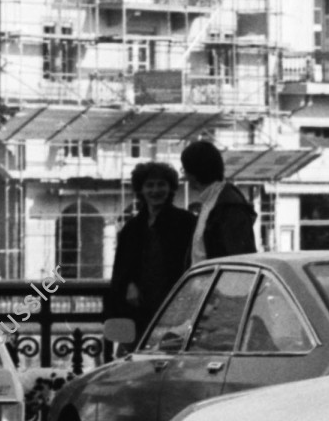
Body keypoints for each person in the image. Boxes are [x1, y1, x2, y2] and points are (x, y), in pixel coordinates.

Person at [108, 161, 198, 332]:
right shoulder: (132, 228)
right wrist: (129, 283)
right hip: (139, 307)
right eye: (149, 185)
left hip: (175, 304)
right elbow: (121, 269)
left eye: (161, 184)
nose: (155, 191)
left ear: (170, 188)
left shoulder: (186, 222)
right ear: (141, 189)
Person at [182, 140, 258, 259]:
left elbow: (239, 258)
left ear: (193, 173)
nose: (184, 176)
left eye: (185, 170)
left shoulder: (228, 206)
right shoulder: (212, 202)